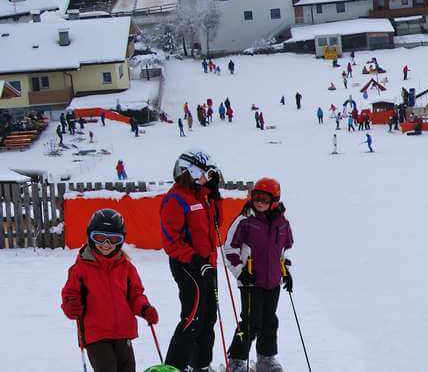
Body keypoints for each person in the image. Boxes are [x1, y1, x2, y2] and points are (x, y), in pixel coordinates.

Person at [62, 208, 159, 372]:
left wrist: (144, 308)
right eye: (99, 238)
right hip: (96, 334)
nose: (106, 245)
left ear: (121, 240)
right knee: (107, 368)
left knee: (127, 368)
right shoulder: (80, 269)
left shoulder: (127, 268)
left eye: (113, 239)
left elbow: (135, 295)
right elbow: (70, 295)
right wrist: (72, 306)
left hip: (123, 332)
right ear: (90, 237)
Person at [161, 150, 223, 371]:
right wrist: (195, 259)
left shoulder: (201, 195)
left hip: (208, 264)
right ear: (192, 171)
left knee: (208, 319)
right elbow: (171, 242)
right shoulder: (175, 199)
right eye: (207, 173)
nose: (209, 177)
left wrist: (215, 195)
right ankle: (175, 367)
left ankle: (201, 365)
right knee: (192, 319)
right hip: (188, 266)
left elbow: (217, 223)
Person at [224, 178, 294, 372]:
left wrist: (286, 272)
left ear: (275, 200)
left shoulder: (282, 224)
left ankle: (266, 359)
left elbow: (286, 249)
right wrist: (241, 272)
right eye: (256, 197)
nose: (259, 202)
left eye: (264, 198)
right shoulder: (245, 221)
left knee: (269, 321)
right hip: (251, 281)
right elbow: (229, 249)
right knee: (250, 322)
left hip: (272, 281)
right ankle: (237, 360)